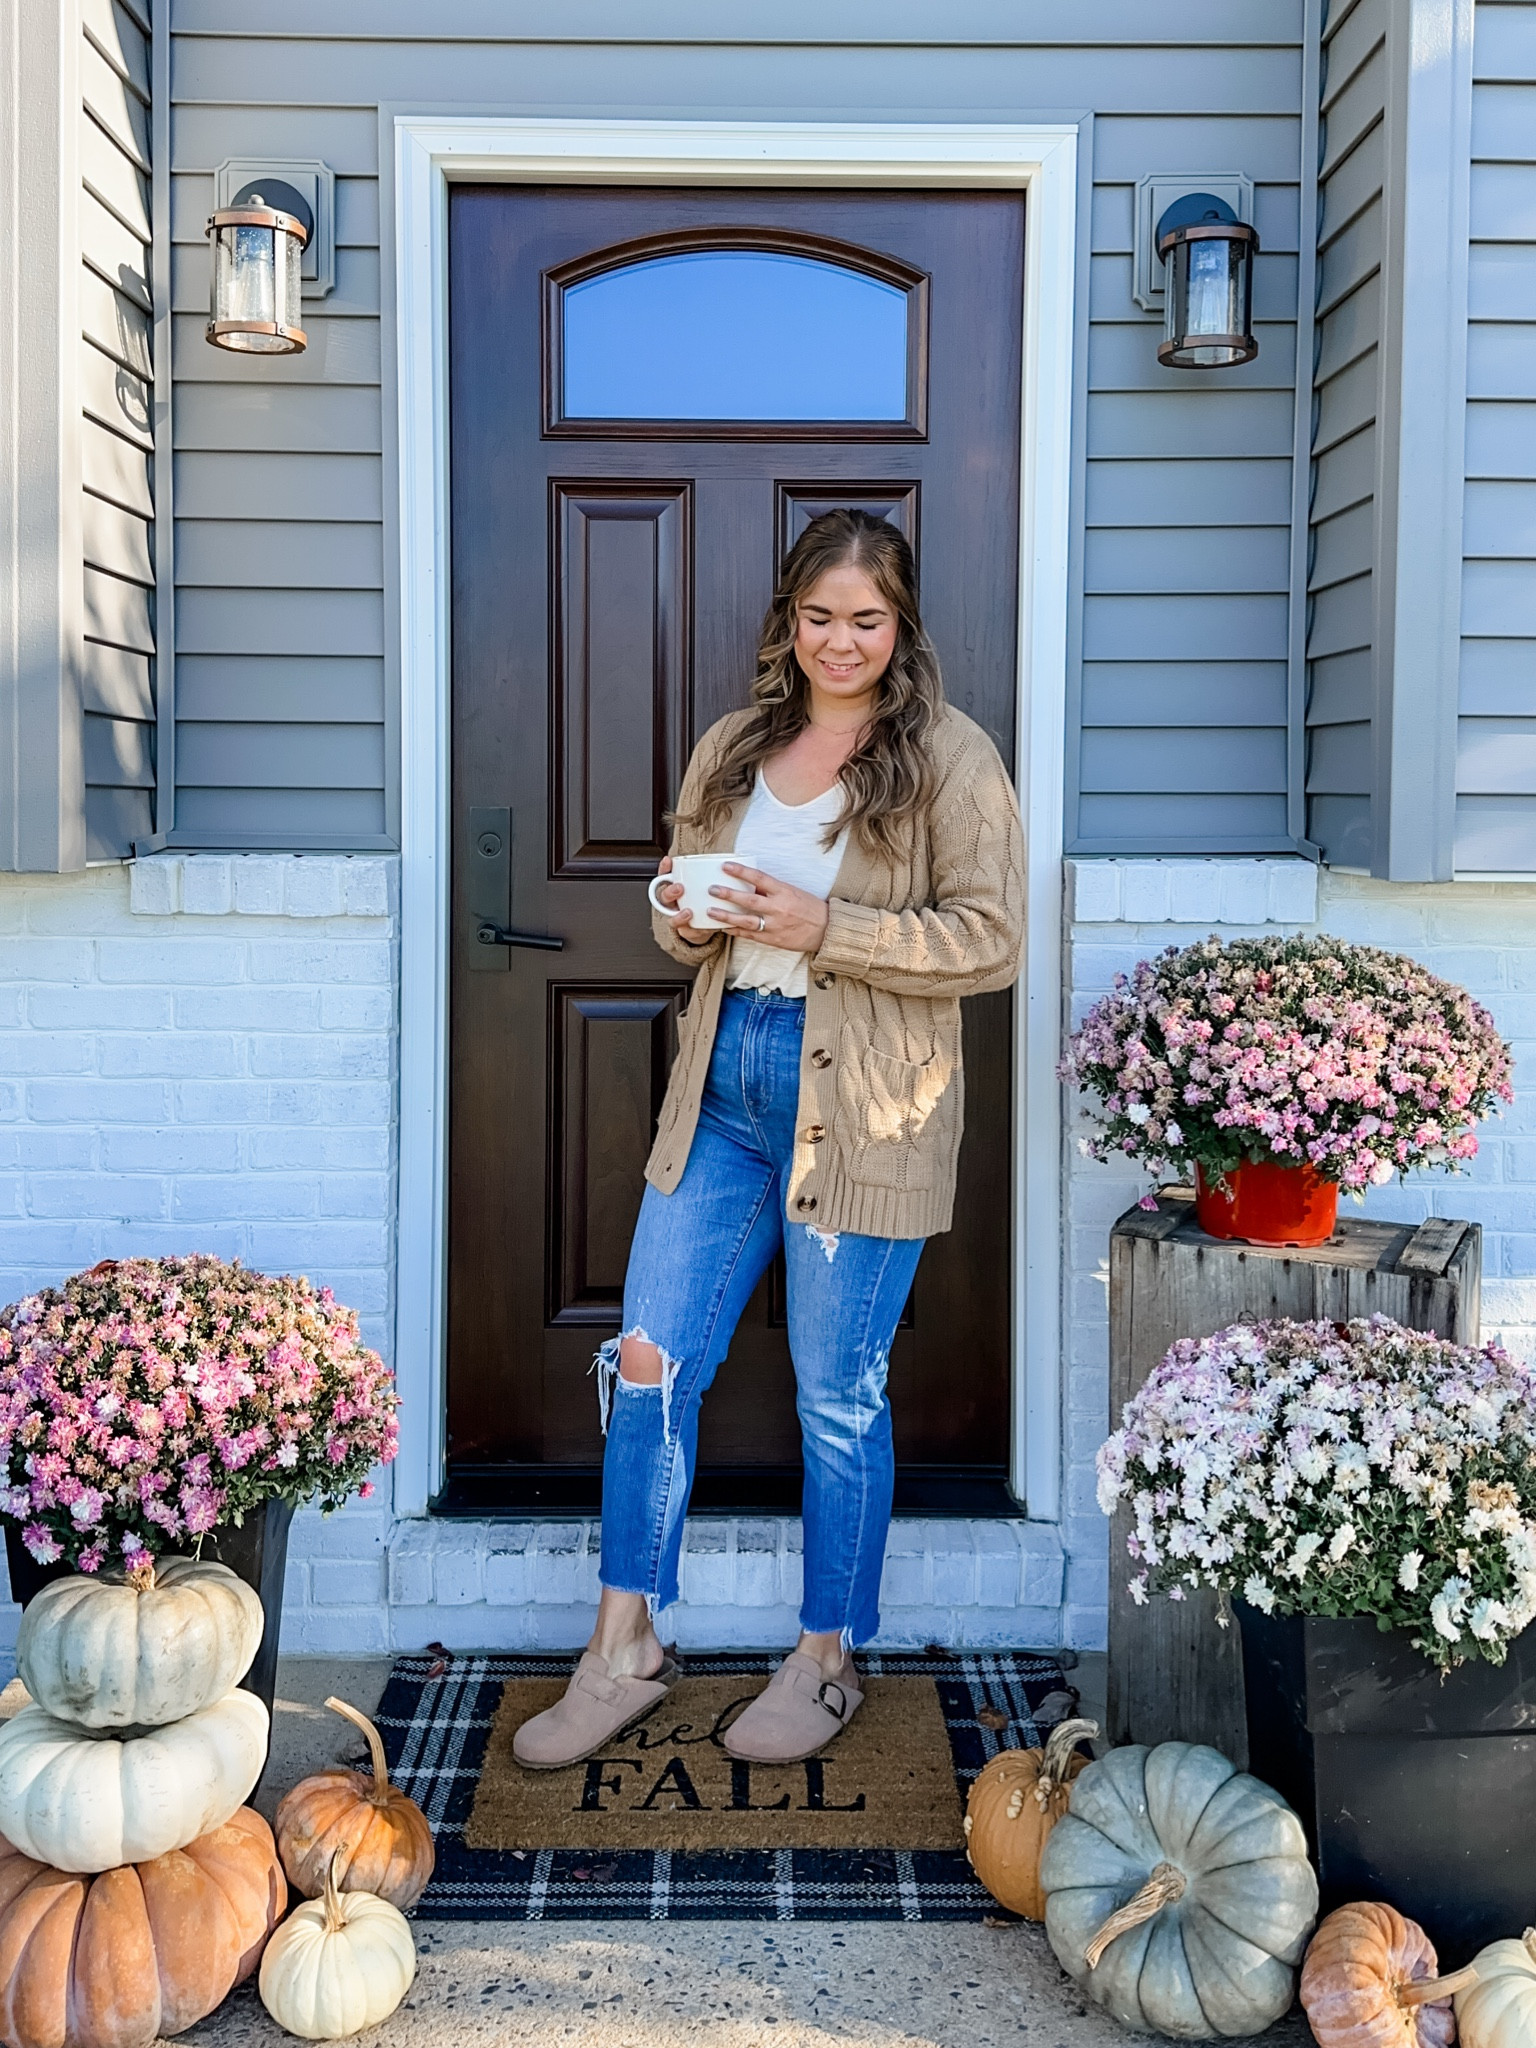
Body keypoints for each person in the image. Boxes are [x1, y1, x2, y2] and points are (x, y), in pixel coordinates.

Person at [514, 508, 1024, 1770]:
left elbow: (991, 939)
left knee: (836, 1394)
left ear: (899, 627)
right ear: (786, 622)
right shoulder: (739, 744)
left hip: (861, 1101)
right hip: (726, 1084)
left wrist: (823, 920)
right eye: (818, 617)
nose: (839, 641)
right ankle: (622, 1643)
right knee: (647, 1359)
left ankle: (826, 1654)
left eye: (865, 619)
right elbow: (693, 908)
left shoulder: (949, 756)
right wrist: (683, 911)